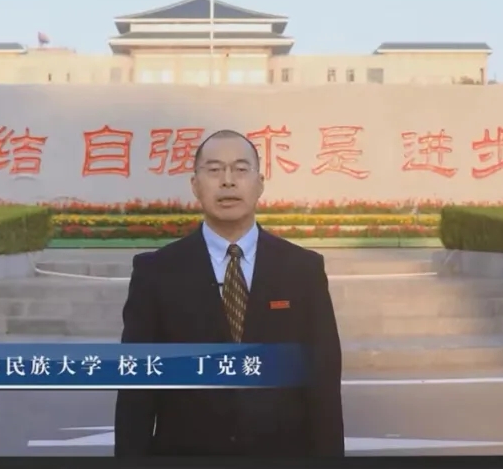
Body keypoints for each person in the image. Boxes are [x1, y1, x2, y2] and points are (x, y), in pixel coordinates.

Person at [114, 129, 345, 457]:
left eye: (240, 169)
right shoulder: (156, 272)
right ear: (195, 185)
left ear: (260, 183)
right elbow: (135, 394)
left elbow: (324, 386)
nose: (227, 181)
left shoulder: (302, 269)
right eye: (214, 170)